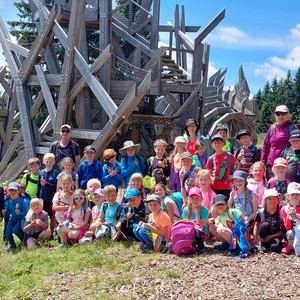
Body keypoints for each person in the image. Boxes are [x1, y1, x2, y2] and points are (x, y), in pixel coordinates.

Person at [260, 105, 298, 180]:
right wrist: (262, 161)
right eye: (278, 113)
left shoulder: (293, 128)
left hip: (285, 164)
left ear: (288, 115)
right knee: (271, 185)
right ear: (275, 115)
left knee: (285, 187)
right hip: (271, 164)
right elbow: (265, 145)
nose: (280, 116)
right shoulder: (272, 128)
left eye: (283, 113)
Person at [206, 134, 239, 198]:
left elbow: (238, 164)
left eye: (219, 143)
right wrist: (210, 178)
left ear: (222, 143)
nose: (217, 144)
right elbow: (208, 172)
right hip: (214, 186)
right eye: (215, 143)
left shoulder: (229, 155)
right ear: (212, 145)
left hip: (227, 186)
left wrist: (234, 175)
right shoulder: (211, 158)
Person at [1, 182, 30, 251]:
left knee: (15, 230)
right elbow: (7, 212)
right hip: (13, 219)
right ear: (8, 191)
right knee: (8, 232)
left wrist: (20, 213)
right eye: (11, 190)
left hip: (22, 219)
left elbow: (26, 214)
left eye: (14, 190)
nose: (13, 192)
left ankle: (25, 242)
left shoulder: (23, 201)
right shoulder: (7, 201)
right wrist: (4, 212)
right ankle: (12, 245)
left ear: (19, 191)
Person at [36, 153, 58, 235]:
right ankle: (42, 232)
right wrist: (37, 197)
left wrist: (46, 184)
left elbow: (55, 187)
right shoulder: (41, 173)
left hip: (51, 199)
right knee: (41, 216)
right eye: (47, 161)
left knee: (52, 217)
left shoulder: (55, 173)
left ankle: (51, 233)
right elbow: (38, 186)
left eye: (50, 162)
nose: (48, 163)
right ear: (43, 162)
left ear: (54, 162)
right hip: (42, 199)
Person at [256, 189, 283, 253]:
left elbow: (284, 230)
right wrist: (256, 237)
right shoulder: (261, 212)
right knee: (265, 225)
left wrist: (272, 236)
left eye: (274, 198)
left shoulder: (281, 212)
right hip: (264, 235)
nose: (272, 201)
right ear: (265, 201)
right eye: (269, 199)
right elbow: (256, 225)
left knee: (274, 248)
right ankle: (263, 243)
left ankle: (270, 244)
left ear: (278, 200)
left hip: (276, 235)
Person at [53, 175, 73, 244]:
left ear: (71, 183)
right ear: (61, 184)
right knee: (61, 237)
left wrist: (69, 198)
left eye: (68, 183)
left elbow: (75, 207)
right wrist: (67, 207)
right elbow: (55, 207)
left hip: (71, 219)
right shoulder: (58, 195)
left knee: (71, 237)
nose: (66, 185)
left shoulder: (74, 194)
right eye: (64, 184)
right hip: (60, 219)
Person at [281, 182, 300, 254]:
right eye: (292, 194)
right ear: (288, 196)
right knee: (289, 233)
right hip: (293, 230)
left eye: (297, 194)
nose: (295, 196)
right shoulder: (284, 209)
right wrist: (289, 217)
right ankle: (291, 245)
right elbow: (287, 227)